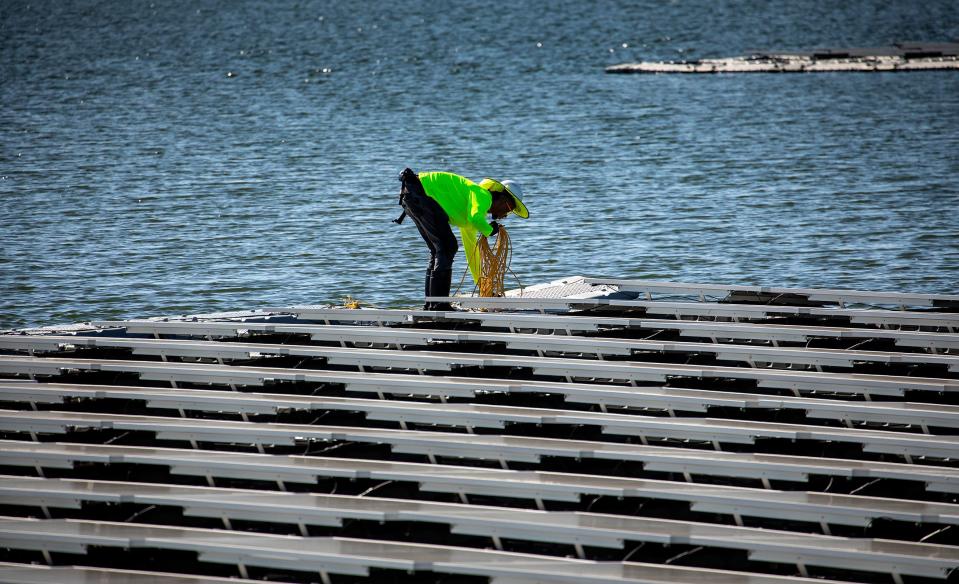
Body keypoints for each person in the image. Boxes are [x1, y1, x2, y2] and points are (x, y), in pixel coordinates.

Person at [394, 169, 529, 310]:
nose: (506, 214)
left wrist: (484, 288)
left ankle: (431, 305)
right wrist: (490, 230)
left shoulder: (470, 210)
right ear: (502, 199)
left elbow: (472, 253)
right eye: (509, 208)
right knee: (447, 247)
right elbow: (475, 218)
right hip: (419, 192)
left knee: (439, 249)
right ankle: (438, 306)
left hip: (412, 194)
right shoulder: (483, 195)